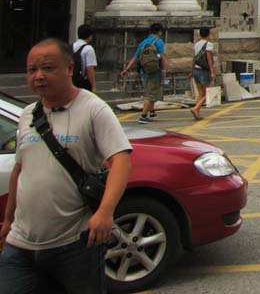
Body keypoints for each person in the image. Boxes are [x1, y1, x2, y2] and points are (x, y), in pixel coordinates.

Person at [0, 38, 132, 294]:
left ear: (70, 68)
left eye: (48, 68)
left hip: (74, 243)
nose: (38, 76)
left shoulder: (93, 108)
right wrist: (8, 220)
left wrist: (105, 213)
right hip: (21, 244)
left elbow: (121, 160)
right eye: (31, 70)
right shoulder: (28, 113)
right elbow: (20, 169)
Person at [120, 23, 166, 124]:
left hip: (144, 71)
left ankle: (152, 112)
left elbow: (135, 57)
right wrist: (164, 69)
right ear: (159, 32)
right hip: (155, 71)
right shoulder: (159, 42)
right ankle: (143, 116)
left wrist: (127, 69)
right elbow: (162, 57)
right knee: (151, 94)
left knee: (150, 90)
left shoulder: (143, 43)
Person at [190, 28, 216, 121]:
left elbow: (194, 59)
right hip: (204, 71)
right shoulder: (208, 44)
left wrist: (191, 71)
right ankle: (196, 108)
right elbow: (209, 59)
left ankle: (197, 112)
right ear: (208, 34)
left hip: (196, 70)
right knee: (207, 93)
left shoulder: (196, 45)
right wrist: (212, 72)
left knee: (201, 93)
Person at [71, 24, 98, 93]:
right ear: (90, 36)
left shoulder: (71, 47)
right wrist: (93, 86)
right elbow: (89, 69)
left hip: (71, 81)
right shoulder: (89, 49)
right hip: (83, 83)